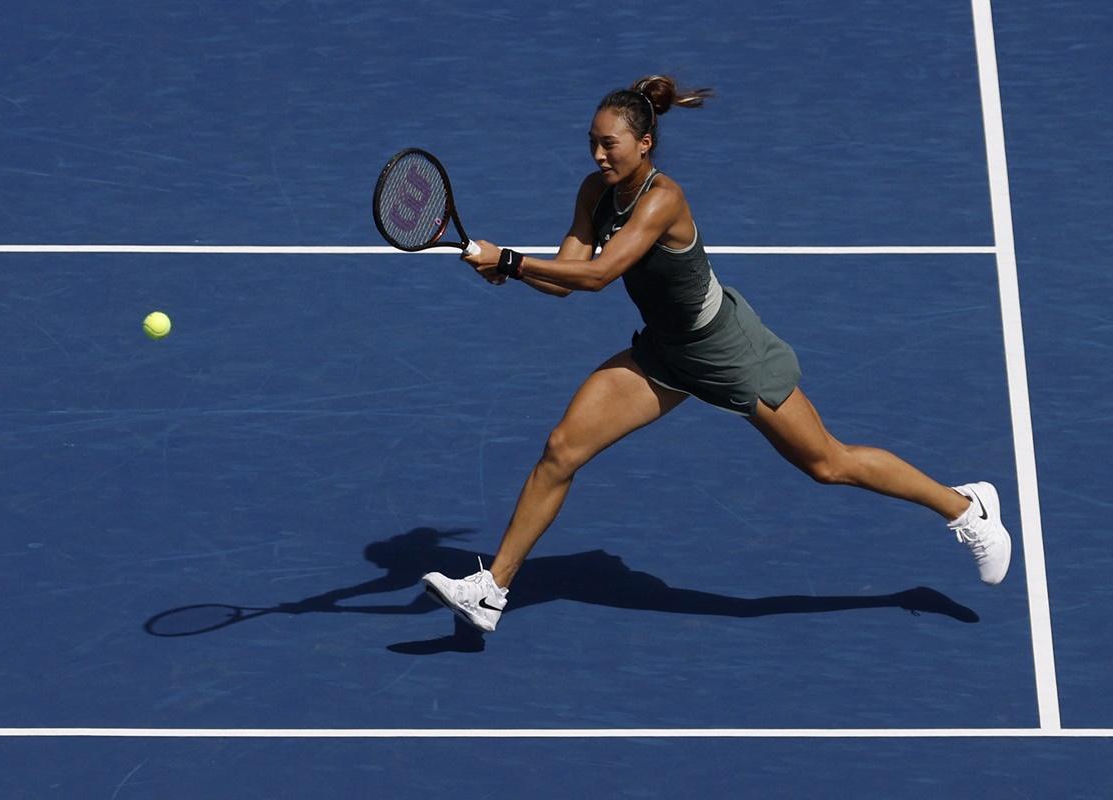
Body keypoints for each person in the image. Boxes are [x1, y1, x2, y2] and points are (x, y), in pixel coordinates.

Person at [420, 75, 1012, 633]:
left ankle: (964, 508)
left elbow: (599, 276)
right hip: (664, 354)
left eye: (610, 144)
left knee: (828, 463)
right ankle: (492, 588)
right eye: (592, 143)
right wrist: (514, 272)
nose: (599, 155)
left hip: (726, 350)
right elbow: (564, 277)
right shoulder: (594, 192)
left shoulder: (662, 200)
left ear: (644, 144)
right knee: (561, 448)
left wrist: (511, 261)